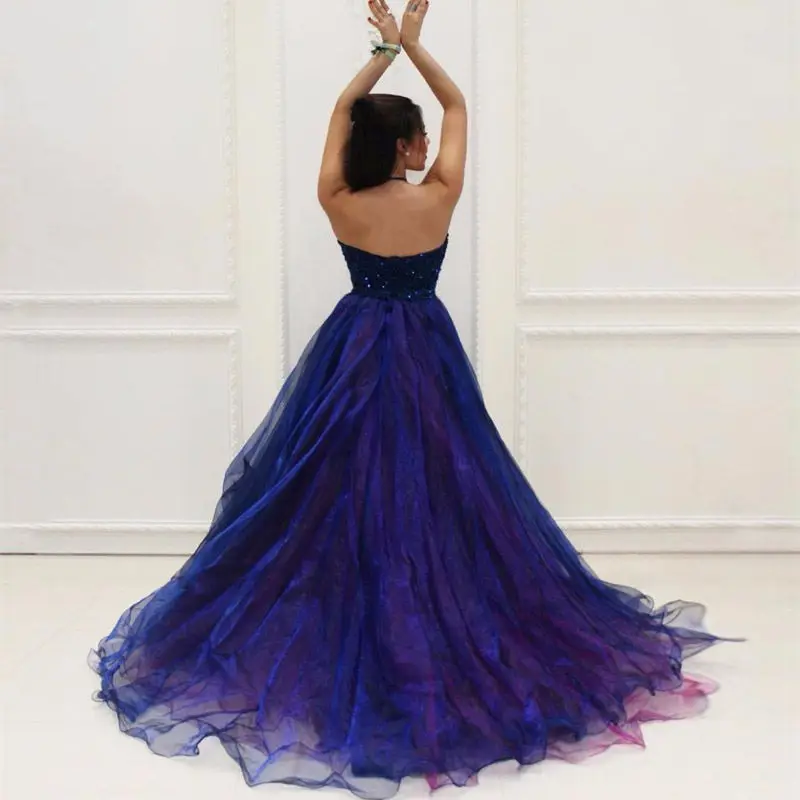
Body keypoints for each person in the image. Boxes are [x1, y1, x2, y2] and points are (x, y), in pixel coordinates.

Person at [90, 2, 739, 798]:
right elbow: (458, 104)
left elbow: (342, 111)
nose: (429, 143)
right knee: (439, 484)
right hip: (425, 348)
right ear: (403, 146)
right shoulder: (439, 197)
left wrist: (381, 54)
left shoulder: (337, 197)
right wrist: (417, 48)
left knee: (331, 487)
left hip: (354, 346)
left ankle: (354, 616)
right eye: (419, 136)